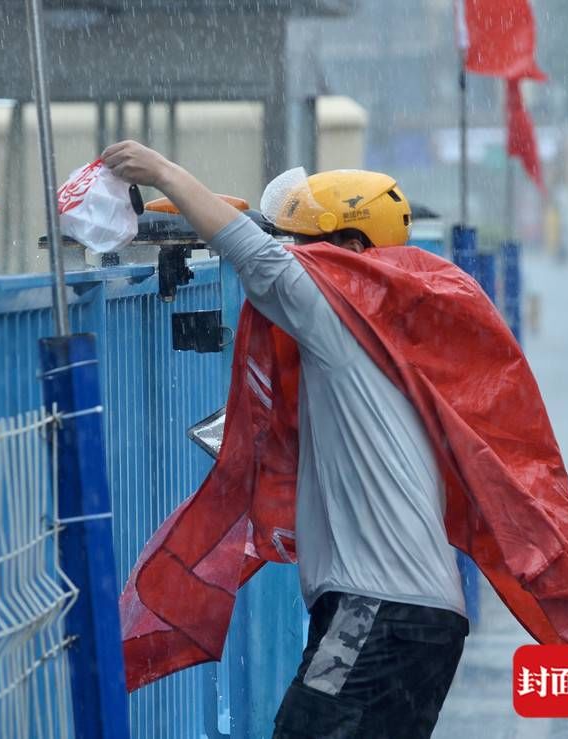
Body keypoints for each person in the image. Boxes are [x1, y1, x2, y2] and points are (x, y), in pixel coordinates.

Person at [104, 141, 469, 738]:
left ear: (354, 251)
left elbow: (256, 258)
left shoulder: (342, 317)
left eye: (306, 246)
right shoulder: (395, 330)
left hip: (375, 613)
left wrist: (163, 170)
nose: (295, 259)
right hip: (416, 616)